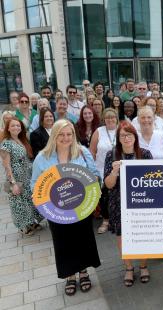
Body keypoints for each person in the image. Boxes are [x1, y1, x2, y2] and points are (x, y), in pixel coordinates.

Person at [31, 119, 101, 296]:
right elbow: (35, 184)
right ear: (54, 135)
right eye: (61, 134)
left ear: (73, 135)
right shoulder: (43, 157)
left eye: (69, 134)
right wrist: (41, 203)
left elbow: (94, 175)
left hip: (81, 205)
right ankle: (70, 275)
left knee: (82, 239)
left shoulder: (82, 152)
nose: (65, 138)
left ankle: (83, 271)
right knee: (63, 242)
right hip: (56, 208)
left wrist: (93, 193)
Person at [104, 121, 153, 286]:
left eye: (129, 134)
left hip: (141, 202)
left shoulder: (145, 154)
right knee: (122, 237)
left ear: (135, 136)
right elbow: (108, 184)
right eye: (122, 135)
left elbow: (153, 181)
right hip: (119, 203)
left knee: (143, 236)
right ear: (118, 138)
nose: (126, 138)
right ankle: (129, 267)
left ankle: (144, 265)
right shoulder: (111, 155)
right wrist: (115, 171)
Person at [1, 117, 43, 235]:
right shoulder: (6, 144)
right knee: (19, 203)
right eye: (13, 126)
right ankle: (23, 226)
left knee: (29, 200)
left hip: (27, 176)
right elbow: (7, 166)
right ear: (8, 128)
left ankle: (32, 222)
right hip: (16, 178)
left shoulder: (21, 140)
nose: (16, 128)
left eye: (18, 125)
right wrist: (13, 183)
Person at [90, 108, 119, 234]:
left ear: (116, 118)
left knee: (117, 194)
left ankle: (118, 218)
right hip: (101, 168)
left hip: (119, 168)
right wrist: (93, 170)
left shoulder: (121, 129)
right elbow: (92, 151)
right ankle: (106, 220)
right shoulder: (99, 131)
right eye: (107, 117)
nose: (110, 119)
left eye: (112, 117)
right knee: (104, 196)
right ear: (104, 119)